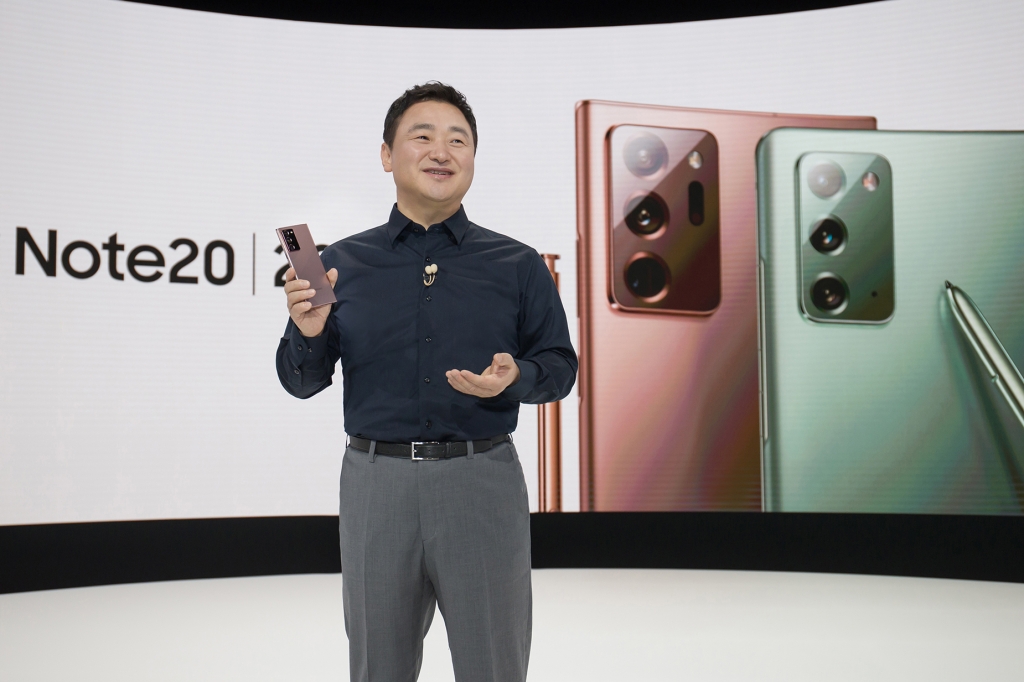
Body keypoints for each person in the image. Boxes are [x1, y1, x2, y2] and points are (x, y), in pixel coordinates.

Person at [275, 82, 577, 682]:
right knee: (377, 669)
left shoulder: (518, 264)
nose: (442, 151)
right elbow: (301, 383)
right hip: (376, 486)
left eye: (458, 140)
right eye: (423, 136)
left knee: (494, 667)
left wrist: (517, 377)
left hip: (482, 481)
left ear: (473, 159)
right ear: (387, 155)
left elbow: (560, 368)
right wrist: (307, 332)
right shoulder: (337, 264)